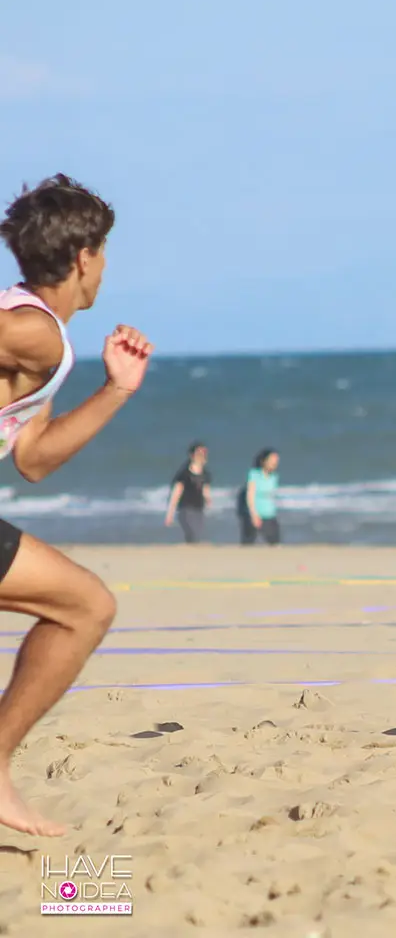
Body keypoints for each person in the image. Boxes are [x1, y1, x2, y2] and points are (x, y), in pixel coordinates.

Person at [0, 174, 153, 835]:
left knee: (84, 605)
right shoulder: (32, 330)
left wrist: (117, 389)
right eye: (105, 252)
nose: (106, 267)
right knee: (86, 607)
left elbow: (33, 456)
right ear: (84, 258)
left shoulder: (42, 336)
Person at [165, 441, 210, 543]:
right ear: (192, 455)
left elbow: (206, 490)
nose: (202, 456)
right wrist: (170, 514)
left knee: (197, 535)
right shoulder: (184, 474)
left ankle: (190, 551)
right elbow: (176, 494)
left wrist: (208, 500)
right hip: (185, 509)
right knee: (192, 533)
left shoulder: (206, 474)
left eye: (204, 453)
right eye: (199, 453)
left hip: (199, 509)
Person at [238, 448, 281, 545]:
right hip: (255, 514)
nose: (274, 463)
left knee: (276, 543)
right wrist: (253, 514)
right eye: (272, 460)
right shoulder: (254, 475)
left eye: (276, 461)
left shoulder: (274, 477)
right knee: (248, 544)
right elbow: (250, 495)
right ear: (264, 461)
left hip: (270, 515)